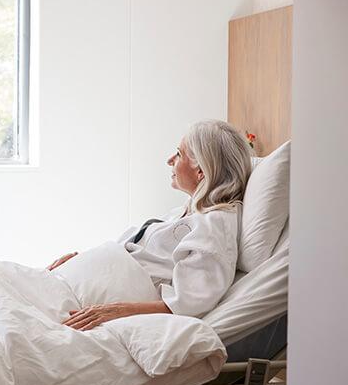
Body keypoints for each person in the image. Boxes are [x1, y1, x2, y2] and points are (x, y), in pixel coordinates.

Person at [52, 120, 253, 331]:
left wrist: (112, 311)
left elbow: (188, 303)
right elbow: (144, 253)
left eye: (178, 154)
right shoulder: (191, 210)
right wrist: (81, 261)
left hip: (91, 302)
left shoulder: (215, 225)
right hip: (75, 287)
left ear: (201, 170)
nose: (170, 160)